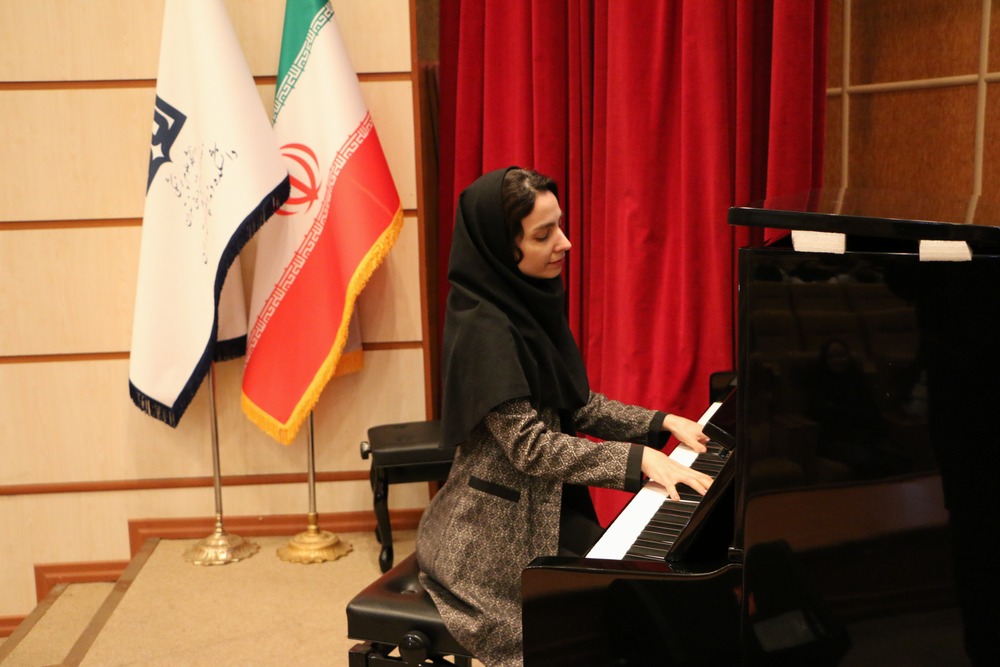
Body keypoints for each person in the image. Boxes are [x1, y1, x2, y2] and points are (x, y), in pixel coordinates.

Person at [416, 167, 714, 667]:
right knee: (599, 626)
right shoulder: (483, 328)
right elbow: (530, 447)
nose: (566, 243)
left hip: (543, 505)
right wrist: (640, 460)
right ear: (502, 247)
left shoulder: (525, 301)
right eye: (543, 234)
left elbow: (576, 404)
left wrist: (662, 423)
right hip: (487, 537)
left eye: (559, 225)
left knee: (641, 598)